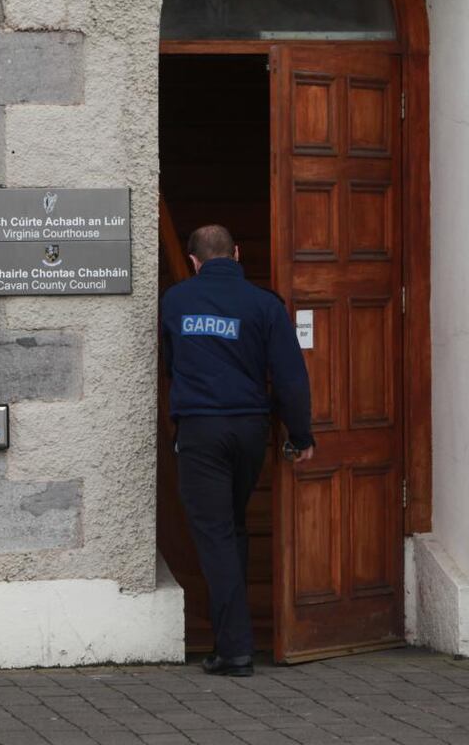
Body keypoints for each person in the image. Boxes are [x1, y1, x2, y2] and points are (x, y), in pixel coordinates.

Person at [160, 224, 314, 677]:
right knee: (233, 527)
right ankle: (234, 639)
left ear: (193, 261)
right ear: (238, 253)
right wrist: (301, 435)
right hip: (250, 431)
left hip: (201, 431)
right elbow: (289, 378)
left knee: (215, 535)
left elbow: (170, 363)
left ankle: (234, 650)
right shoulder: (264, 305)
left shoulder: (176, 301)